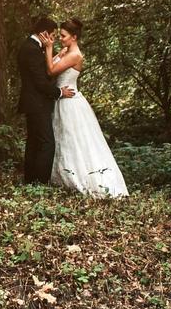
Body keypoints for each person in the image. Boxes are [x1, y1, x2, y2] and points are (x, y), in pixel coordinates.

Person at [44, 18, 128, 197]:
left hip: (70, 101)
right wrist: (56, 52)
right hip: (61, 98)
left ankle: (81, 177)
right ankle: (60, 175)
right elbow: (49, 66)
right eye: (59, 35)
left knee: (74, 139)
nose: (60, 38)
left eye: (64, 36)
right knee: (62, 137)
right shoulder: (66, 51)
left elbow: (51, 71)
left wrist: (49, 48)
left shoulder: (75, 55)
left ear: (74, 37)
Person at [16, 16, 75, 183]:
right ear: (44, 34)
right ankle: (40, 183)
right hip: (36, 103)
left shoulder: (33, 47)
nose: (54, 38)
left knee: (34, 142)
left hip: (34, 102)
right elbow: (41, 82)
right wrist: (60, 92)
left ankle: (31, 181)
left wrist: (55, 56)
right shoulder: (31, 49)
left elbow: (42, 70)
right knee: (47, 143)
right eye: (53, 35)